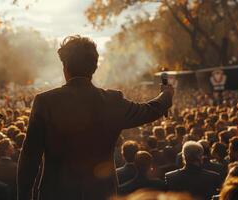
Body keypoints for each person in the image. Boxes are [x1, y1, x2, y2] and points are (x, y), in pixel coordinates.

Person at [17, 35, 174, 200]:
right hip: (101, 194)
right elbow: (149, 110)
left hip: (56, 194)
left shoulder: (45, 102)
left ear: (65, 68)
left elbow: (29, 158)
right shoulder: (112, 101)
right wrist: (166, 95)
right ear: (94, 68)